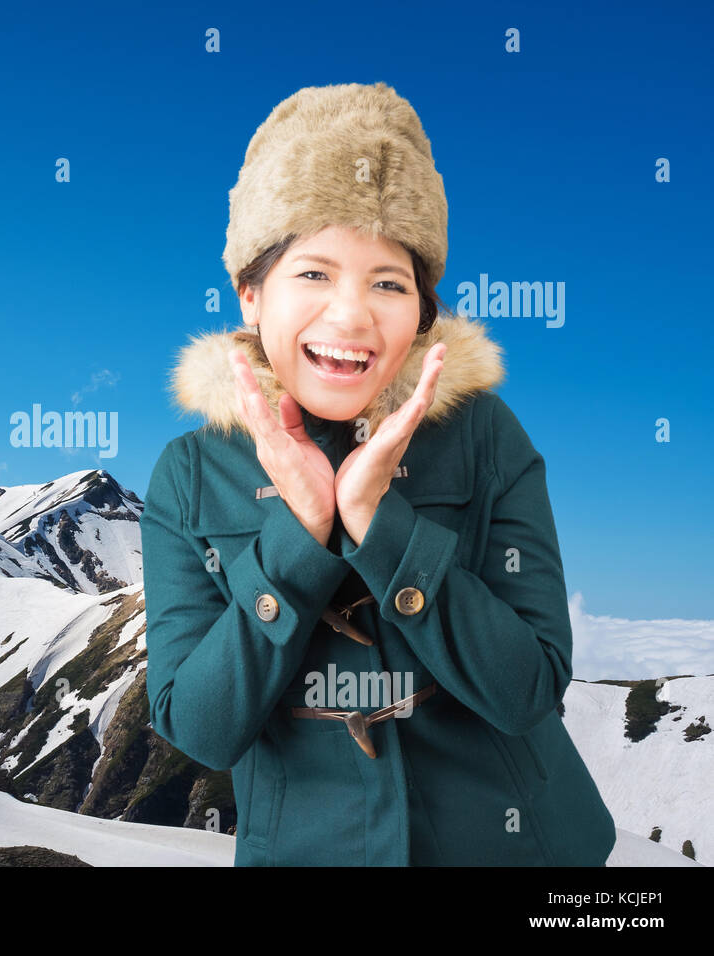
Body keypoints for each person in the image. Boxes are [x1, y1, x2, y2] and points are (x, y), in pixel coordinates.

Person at [140, 81, 616, 865]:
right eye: (314, 273)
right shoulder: (189, 475)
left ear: (424, 313)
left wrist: (380, 527)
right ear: (252, 296)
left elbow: (530, 688)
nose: (352, 316)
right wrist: (298, 538)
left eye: (388, 283)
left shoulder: (484, 435)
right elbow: (200, 728)